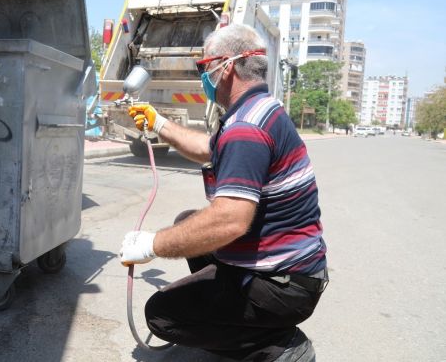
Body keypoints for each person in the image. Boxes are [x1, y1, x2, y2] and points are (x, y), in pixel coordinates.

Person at [119, 23, 328, 361]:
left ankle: (277, 345)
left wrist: (151, 245)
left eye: (205, 68)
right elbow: (208, 147)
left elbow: (230, 221)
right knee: (187, 220)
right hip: (296, 272)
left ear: (226, 66)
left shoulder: (246, 128)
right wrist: (159, 123)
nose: (204, 77)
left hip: (285, 285)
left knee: (162, 314)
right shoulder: (261, 109)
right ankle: (239, 315)